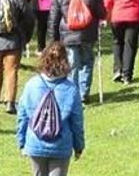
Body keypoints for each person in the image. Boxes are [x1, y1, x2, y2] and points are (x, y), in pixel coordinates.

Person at [16, 42, 85, 176]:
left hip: (35, 142)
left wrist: (21, 142)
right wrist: (79, 146)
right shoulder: (71, 89)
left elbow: (22, 116)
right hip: (61, 145)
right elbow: (77, 122)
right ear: (65, 61)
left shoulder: (31, 84)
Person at [48, 0, 105, 103]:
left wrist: (53, 40)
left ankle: (72, 94)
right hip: (88, 34)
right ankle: (83, 93)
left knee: (72, 64)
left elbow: (53, 19)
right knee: (87, 62)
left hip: (68, 35)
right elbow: (101, 13)